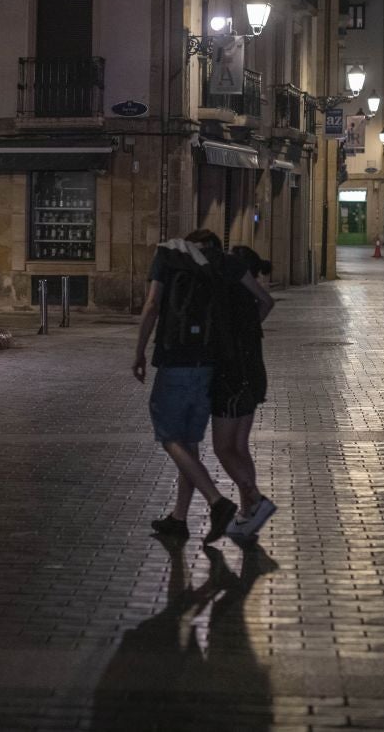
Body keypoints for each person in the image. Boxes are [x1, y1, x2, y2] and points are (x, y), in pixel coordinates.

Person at [132, 230, 238, 544]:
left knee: (168, 436)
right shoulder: (217, 264)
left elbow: (152, 305)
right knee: (189, 444)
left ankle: (217, 502)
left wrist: (139, 352)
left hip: (175, 361)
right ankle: (179, 519)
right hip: (207, 364)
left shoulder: (167, 258)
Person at [210, 245, 277, 541]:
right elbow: (267, 304)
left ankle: (256, 500)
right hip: (253, 376)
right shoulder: (250, 299)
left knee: (223, 448)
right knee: (239, 446)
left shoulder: (229, 294)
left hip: (232, 379)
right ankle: (248, 512)